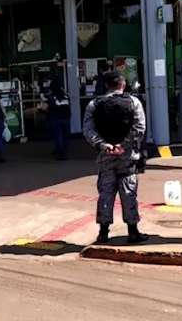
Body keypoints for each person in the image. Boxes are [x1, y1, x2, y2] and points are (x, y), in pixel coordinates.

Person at [83, 71, 149, 244]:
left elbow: (88, 130)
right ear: (123, 84)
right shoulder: (134, 102)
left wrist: (102, 145)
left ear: (106, 85)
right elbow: (139, 128)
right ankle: (133, 232)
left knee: (105, 192)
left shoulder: (94, 104)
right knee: (128, 192)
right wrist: (124, 145)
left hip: (105, 155)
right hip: (127, 156)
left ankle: (103, 233)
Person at [46, 81, 71, 160]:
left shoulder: (51, 96)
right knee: (65, 136)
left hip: (56, 118)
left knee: (58, 135)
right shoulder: (65, 96)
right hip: (66, 118)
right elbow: (68, 106)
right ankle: (62, 150)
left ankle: (60, 152)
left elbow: (50, 107)